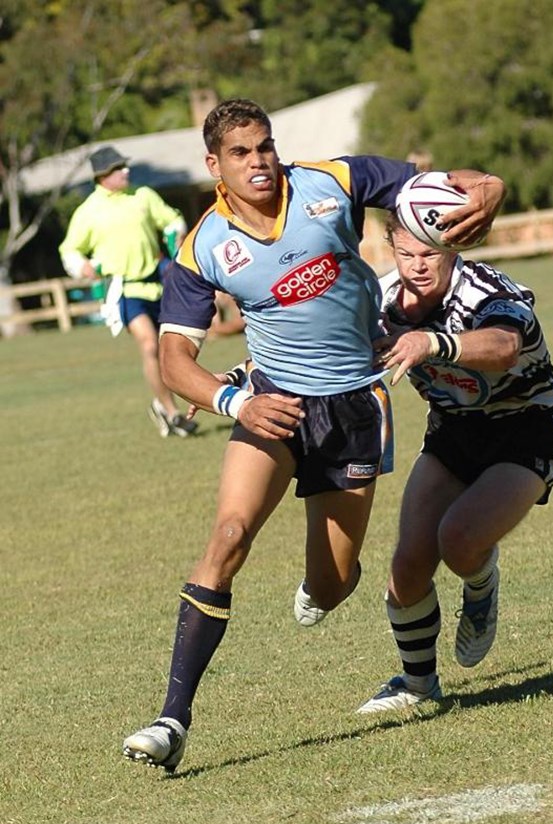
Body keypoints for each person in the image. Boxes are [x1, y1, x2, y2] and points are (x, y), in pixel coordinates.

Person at [121, 98, 506, 771]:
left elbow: (440, 185)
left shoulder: (334, 182)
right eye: (241, 153)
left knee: (330, 585)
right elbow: (175, 361)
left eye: (265, 146)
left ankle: (322, 587)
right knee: (228, 536)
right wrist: (232, 401)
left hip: (354, 406)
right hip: (270, 405)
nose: (260, 162)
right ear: (214, 165)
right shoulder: (202, 247)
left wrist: (490, 187)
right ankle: (171, 720)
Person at [355, 213, 553, 714]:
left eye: (429, 254)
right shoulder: (382, 301)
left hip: (529, 427)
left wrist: (432, 342)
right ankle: (417, 686)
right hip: (454, 432)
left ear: (452, 245)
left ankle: (480, 583)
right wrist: (242, 375)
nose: (417, 267)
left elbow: (503, 346)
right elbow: (323, 345)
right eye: (406, 254)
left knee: (458, 540)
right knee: (407, 568)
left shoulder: (484, 290)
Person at [59, 146, 197, 437]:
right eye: (118, 168)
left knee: (174, 349)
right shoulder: (88, 211)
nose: (126, 172)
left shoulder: (143, 195)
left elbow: (171, 219)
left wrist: (177, 231)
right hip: (123, 288)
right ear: (102, 176)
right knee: (149, 346)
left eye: (124, 166)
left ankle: (164, 406)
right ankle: (172, 413)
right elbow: (70, 249)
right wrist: (80, 266)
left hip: (158, 284)